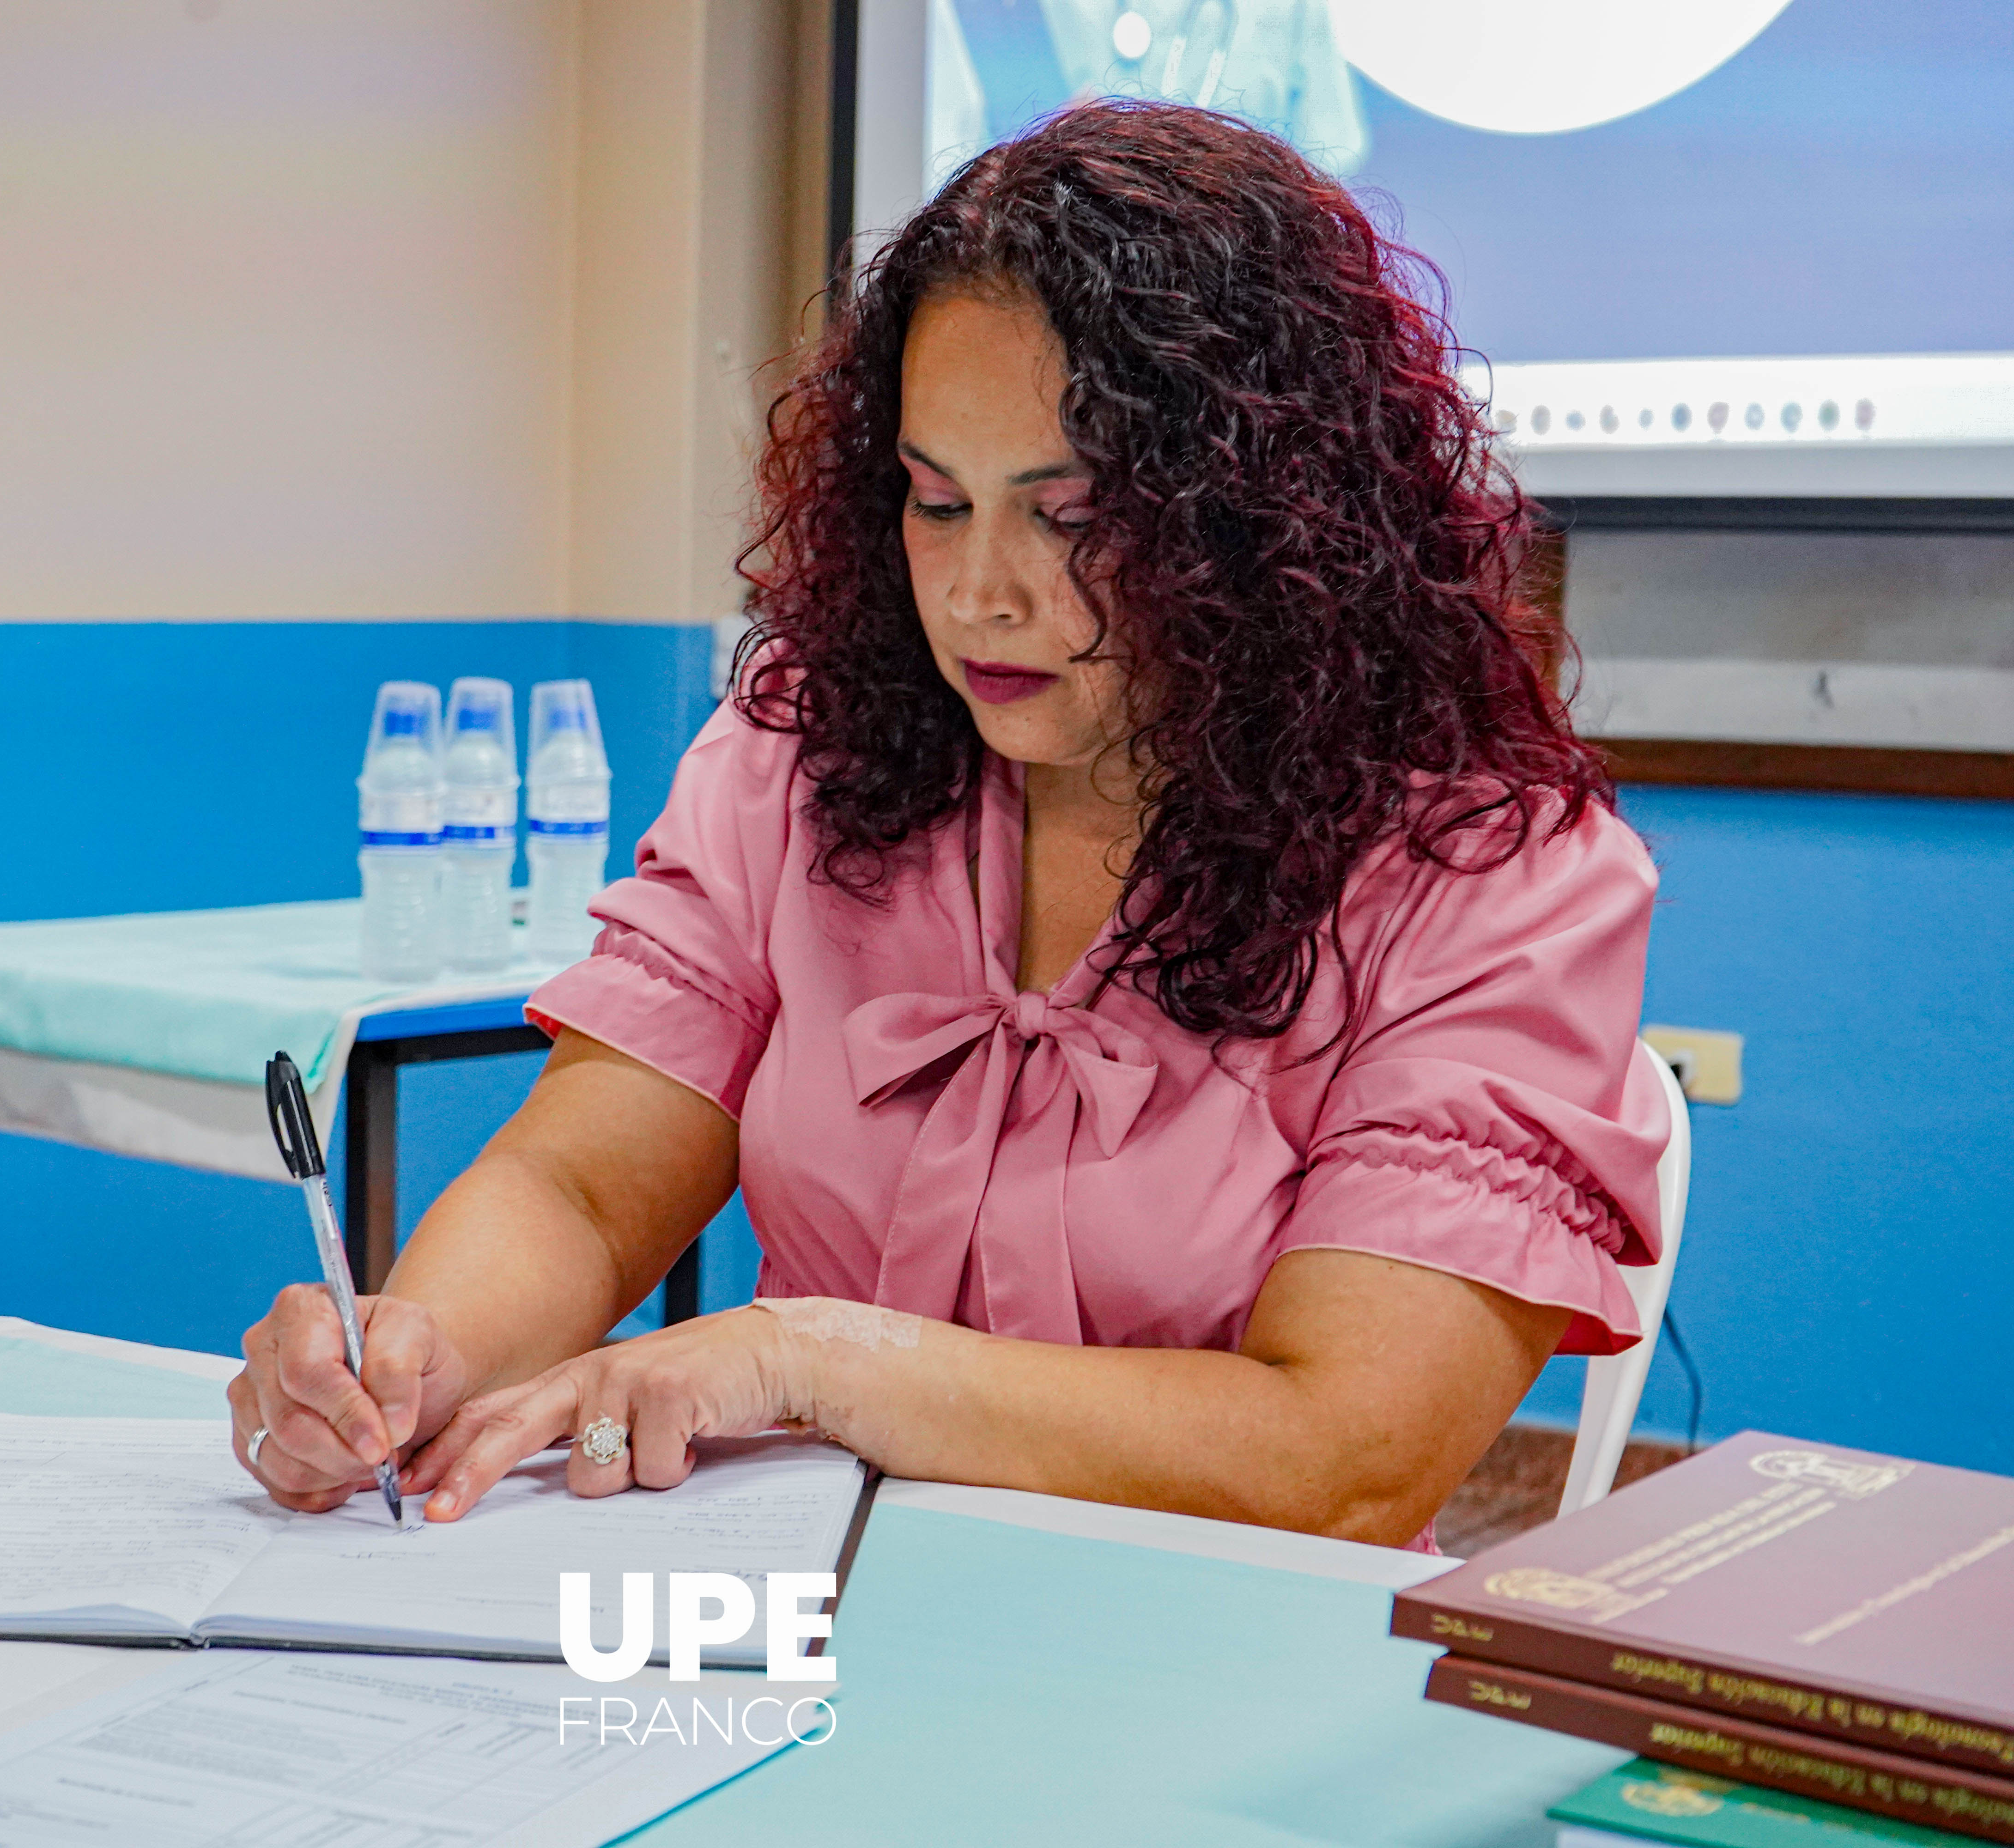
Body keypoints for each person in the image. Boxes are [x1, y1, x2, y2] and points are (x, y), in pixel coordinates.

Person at [228, 101, 1668, 1552]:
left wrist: (819, 1361)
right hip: (793, 1601)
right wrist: (417, 1356)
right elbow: (582, 1190)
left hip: (1203, 1638)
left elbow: (1346, 1458)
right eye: (935, 501)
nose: (979, 592)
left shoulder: (1494, 877)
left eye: (1071, 516)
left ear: (1266, 521)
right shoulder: (809, 753)